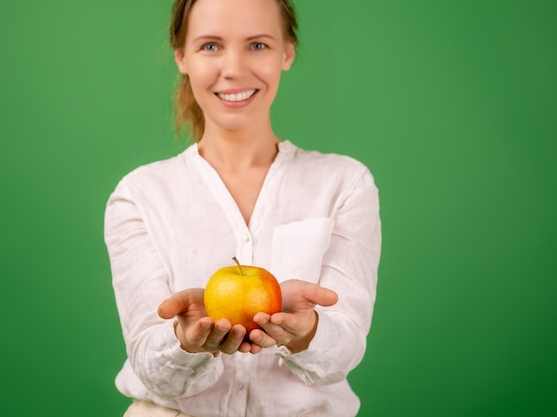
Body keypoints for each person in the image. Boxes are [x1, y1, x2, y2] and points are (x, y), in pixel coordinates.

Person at [104, 0, 381, 416]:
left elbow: (343, 352)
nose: (233, 68)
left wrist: (307, 333)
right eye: (211, 46)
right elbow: (151, 366)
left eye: (257, 45)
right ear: (182, 56)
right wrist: (183, 342)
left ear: (286, 52)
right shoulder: (140, 195)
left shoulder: (345, 184)